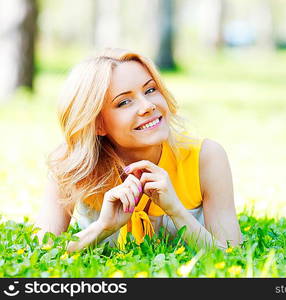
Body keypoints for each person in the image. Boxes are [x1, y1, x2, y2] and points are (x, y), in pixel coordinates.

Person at [35, 48, 242, 253]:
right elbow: (43, 251)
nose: (148, 106)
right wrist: (102, 227)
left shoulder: (206, 157)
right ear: (97, 124)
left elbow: (230, 253)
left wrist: (176, 211)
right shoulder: (69, 163)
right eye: (124, 102)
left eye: (150, 90)